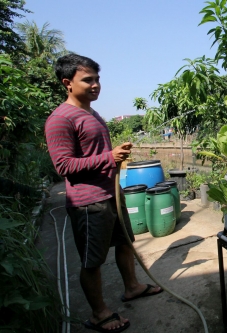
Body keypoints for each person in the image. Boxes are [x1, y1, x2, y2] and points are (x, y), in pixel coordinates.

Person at [45, 54, 162, 333]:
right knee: (92, 260)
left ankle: (132, 287)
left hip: (111, 195)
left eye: (97, 79)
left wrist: (113, 157)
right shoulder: (60, 119)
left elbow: (95, 154)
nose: (96, 85)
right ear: (67, 83)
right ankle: (99, 314)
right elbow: (64, 166)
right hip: (89, 203)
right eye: (88, 80)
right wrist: (109, 157)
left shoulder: (91, 113)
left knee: (125, 244)